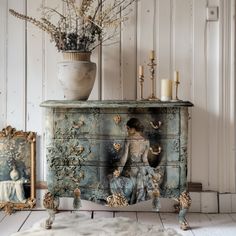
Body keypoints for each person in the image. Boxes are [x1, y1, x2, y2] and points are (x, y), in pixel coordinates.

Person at [109, 118, 153, 204]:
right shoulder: (146, 141)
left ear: (133, 128)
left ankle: (123, 201)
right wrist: (151, 172)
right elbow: (145, 159)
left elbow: (124, 158)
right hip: (143, 171)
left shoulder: (129, 139)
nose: (127, 131)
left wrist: (118, 171)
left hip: (134, 172)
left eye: (128, 129)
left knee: (113, 181)